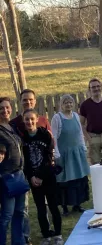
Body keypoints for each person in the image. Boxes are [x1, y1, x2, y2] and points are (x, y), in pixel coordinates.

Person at [10, 89, 50, 245]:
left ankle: (47, 232)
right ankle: (25, 237)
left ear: (34, 101)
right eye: (24, 100)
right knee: (23, 206)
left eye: (30, 100)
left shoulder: (43, 120)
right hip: (22, 170)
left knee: (44, 203)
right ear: (20, 102)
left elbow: (50, 145)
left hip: (41, 170)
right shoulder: (14, 124)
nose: (27, 102)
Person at [21, 109, 64, 245]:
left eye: (32, 119)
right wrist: (31, 177)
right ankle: (46, 235)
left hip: (48, 176)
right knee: (40, 208)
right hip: (34, 180)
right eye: (27, 119)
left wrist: (40, 175)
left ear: (37, 119)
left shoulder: (45, 135)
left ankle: (58, 234)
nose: (29, 122)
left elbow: (48, 158)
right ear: (24, 121)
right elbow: (25, 161)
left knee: (53, 206)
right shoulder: (23, 138)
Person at [51, 95, 90, 216]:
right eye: (65, 103)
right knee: (65, 180)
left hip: (77, 152)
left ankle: (77, 204)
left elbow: (79, 134)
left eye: (70, 102)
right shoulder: (57, 118)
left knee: (79, 178)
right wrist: (56, 153)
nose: (68, 105)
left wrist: (83, 148)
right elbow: (54, 137)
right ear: (61, 104)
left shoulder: (76, 116)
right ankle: (64, 207)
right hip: (64, 153)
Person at [0, 97, 26, 245]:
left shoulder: (11, 126)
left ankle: (18, 242)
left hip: (19, 174)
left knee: (19, 212)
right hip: (6, 176)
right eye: (1, 108)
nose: (5, 110)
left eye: (7, 107)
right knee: (7, 215)